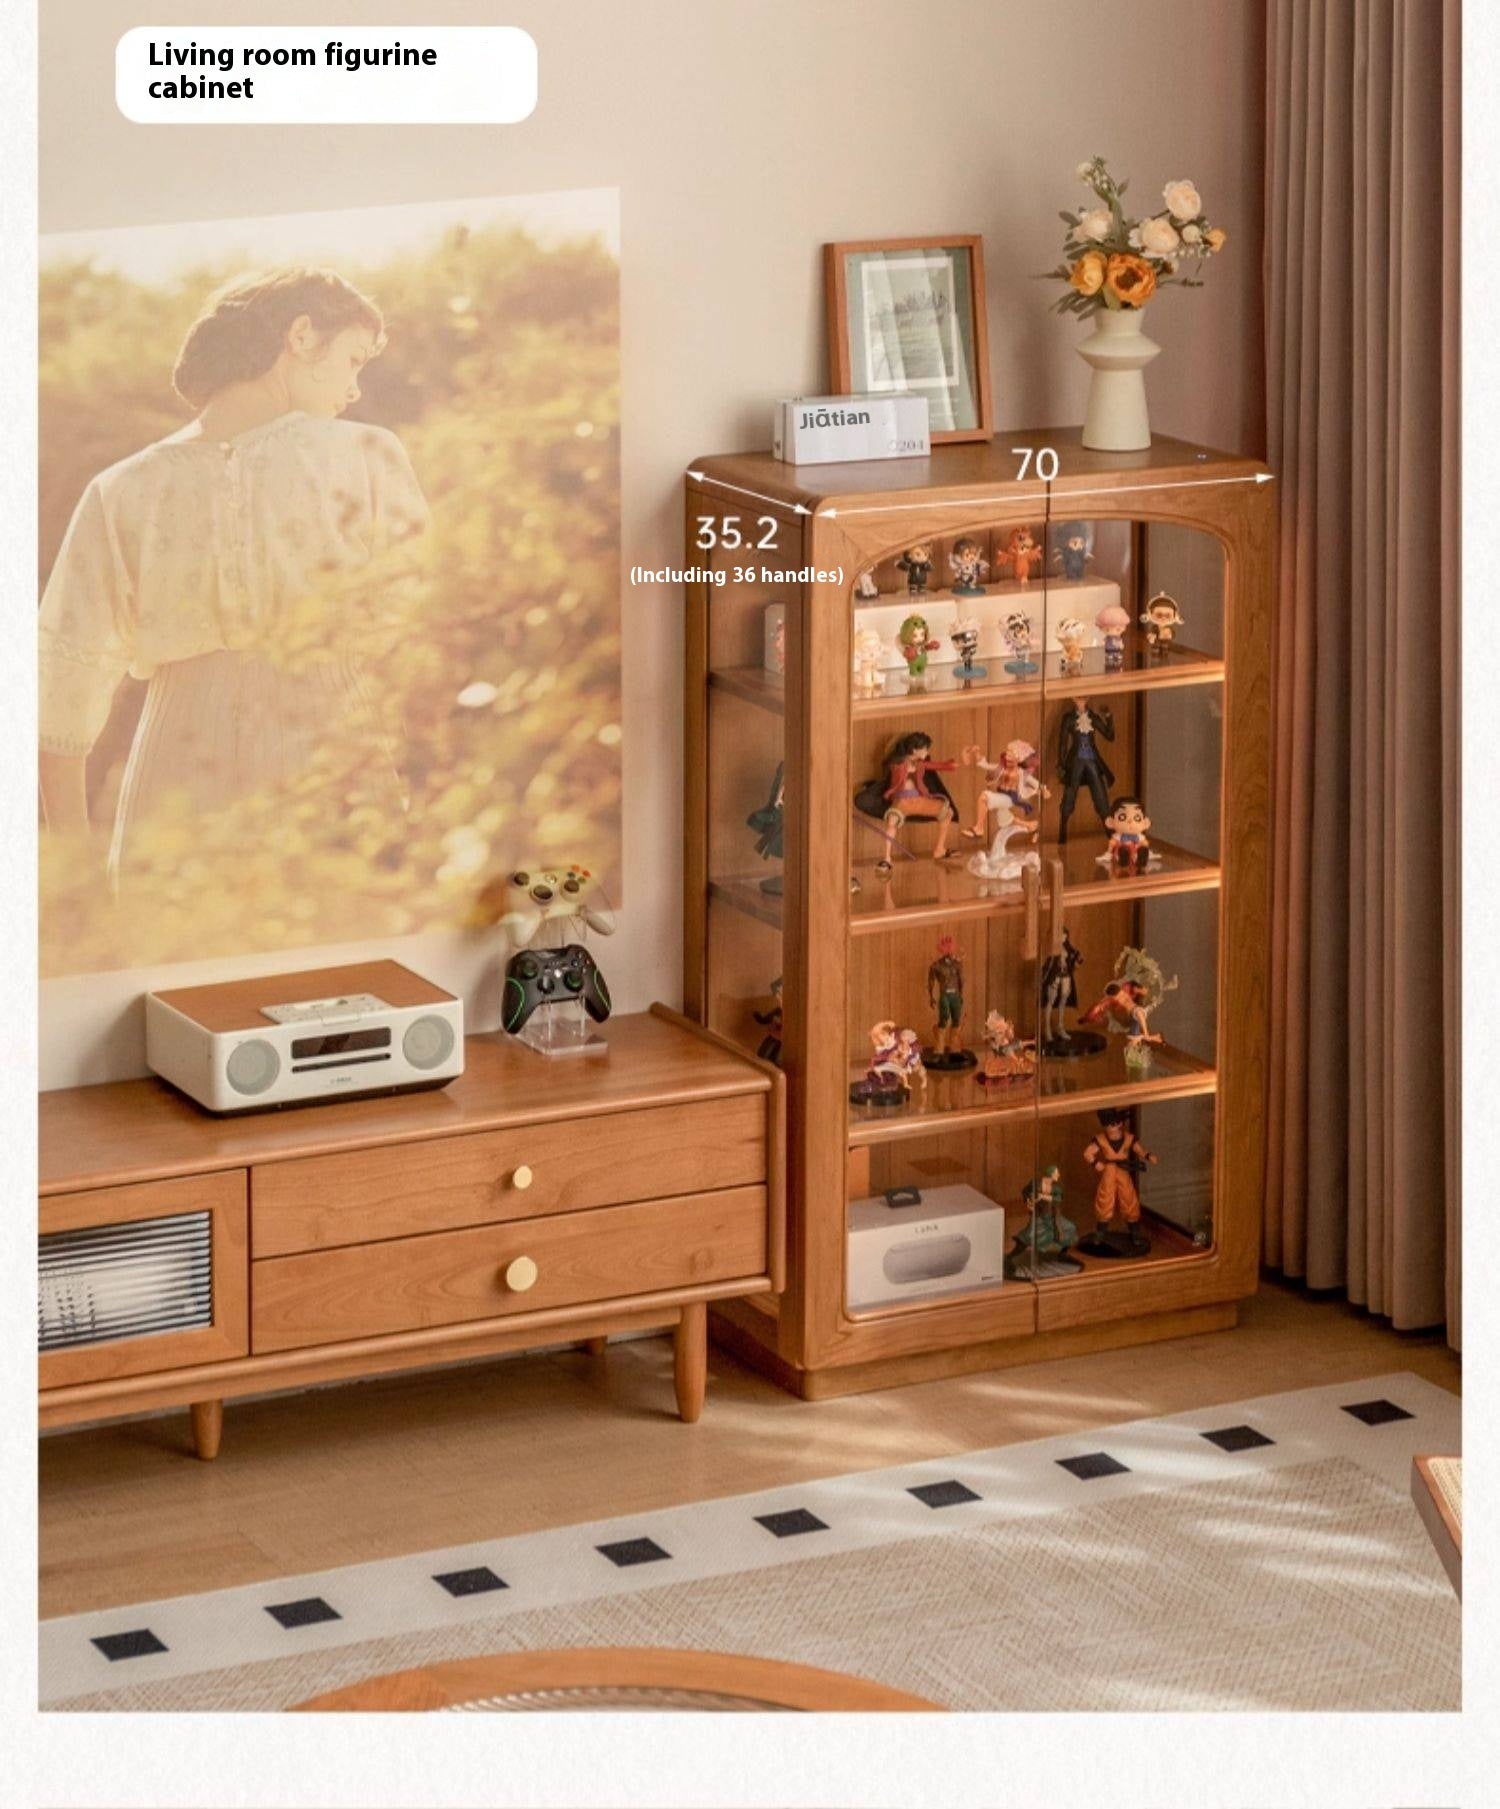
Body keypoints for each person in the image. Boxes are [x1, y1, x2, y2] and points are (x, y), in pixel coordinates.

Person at [38, 266, 429, 884]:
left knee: (177, 970)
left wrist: (72, 879)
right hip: (330, 757)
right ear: (301, 336)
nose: (354, 389)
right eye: (353, 360)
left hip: (171, 773)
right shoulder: (367, 455)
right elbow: (429, 643)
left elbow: (61, 692)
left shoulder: (122, 488)